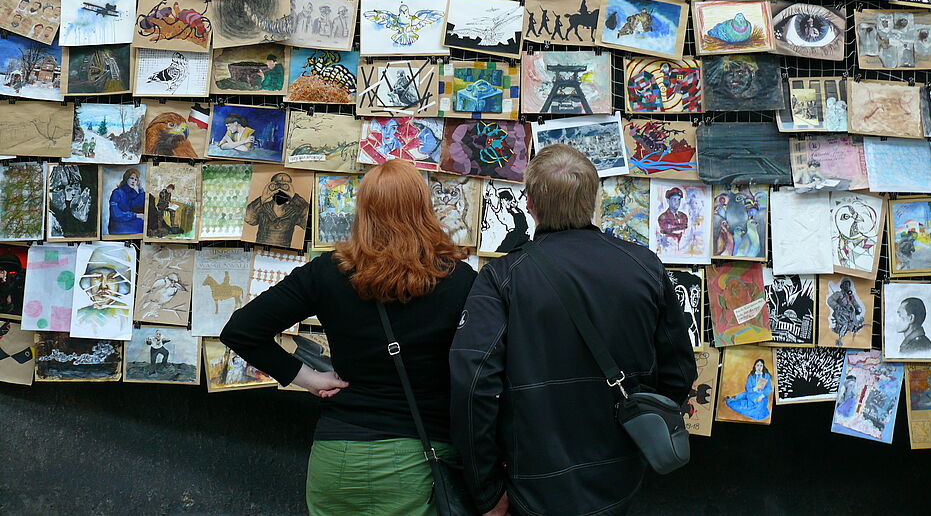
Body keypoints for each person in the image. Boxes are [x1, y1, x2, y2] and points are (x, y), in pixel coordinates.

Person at [450, 144, 695, 516]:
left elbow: (473, 384)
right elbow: (679, 372)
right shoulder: (644, 267)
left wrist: (486, 490)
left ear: (529, 204)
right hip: (621, 476)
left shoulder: (503, 278)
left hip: (532, 480)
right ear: (593, 200)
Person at [220, 159, 476, 515]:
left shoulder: (327, 272)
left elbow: (241, 331)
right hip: (420, 457)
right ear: (424, 207)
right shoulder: (460, 280)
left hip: (337, 455)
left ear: (364, 209)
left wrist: (306, 378)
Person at [243, 171, 311, 248]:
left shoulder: (294, 211)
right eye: (277, 184)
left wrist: (294, 197)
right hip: (261, 251)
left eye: (285, 185)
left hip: (284, 252)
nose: (280, 188)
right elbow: (248, 218)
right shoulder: (263, 208)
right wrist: (263, 198)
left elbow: (308, 223)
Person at [107, 168, 145, 235]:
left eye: (136, 180)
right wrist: (135, 215)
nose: (134, 181)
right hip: (118, 226)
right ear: (126, 178)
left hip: (129, 222)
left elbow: (140, 204)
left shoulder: (133, 193)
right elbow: (115, 214)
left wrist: (141, 189)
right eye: (132, 178)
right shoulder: (117, 192)